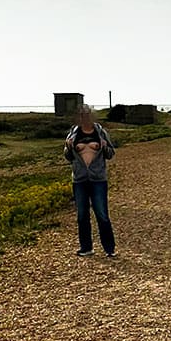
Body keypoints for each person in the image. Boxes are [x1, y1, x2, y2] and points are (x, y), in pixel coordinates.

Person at [64, 104, 117, 257]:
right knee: (82, 215)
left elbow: (110, 154)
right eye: (82, 115)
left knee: (102, 214)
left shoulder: (100, 132)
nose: (85, 117)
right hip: (79, 180)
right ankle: (86, 247)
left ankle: (109, 248)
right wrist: (68, 148)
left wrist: (105, 147)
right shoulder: (73, 133)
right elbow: (68, 157)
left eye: (87, 114)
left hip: (98, 180)